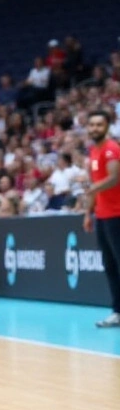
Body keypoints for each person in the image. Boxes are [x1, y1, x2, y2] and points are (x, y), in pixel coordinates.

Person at [82, 110, 120, 327]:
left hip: (117, 216)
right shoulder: (93, 152)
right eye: (92, 124)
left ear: (107, 126)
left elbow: (114, 178)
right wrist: (88, 213)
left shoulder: (112, 149)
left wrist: (93, 187)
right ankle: (117, 312)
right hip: (103, 217)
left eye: (99, 124)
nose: (95, 128)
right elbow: (94, 189)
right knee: (110, 265)